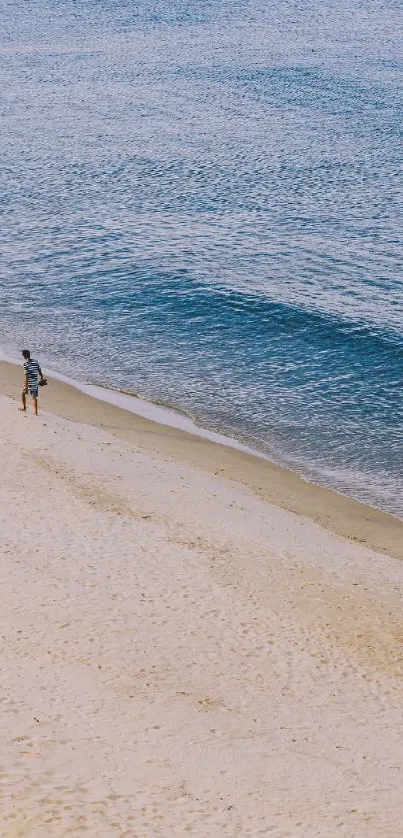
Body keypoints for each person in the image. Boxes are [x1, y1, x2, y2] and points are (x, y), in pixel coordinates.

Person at [20, 349, 45, 416]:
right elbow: (40, 371)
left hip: (28, 382)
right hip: (35, 382)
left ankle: (24, 408)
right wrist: (42, 378)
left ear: (24, 356)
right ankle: (36, 412)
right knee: (34, 397)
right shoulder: (35, 362)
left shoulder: (25, 364)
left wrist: (26, 386)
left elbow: (26, 376)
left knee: (23, 394)